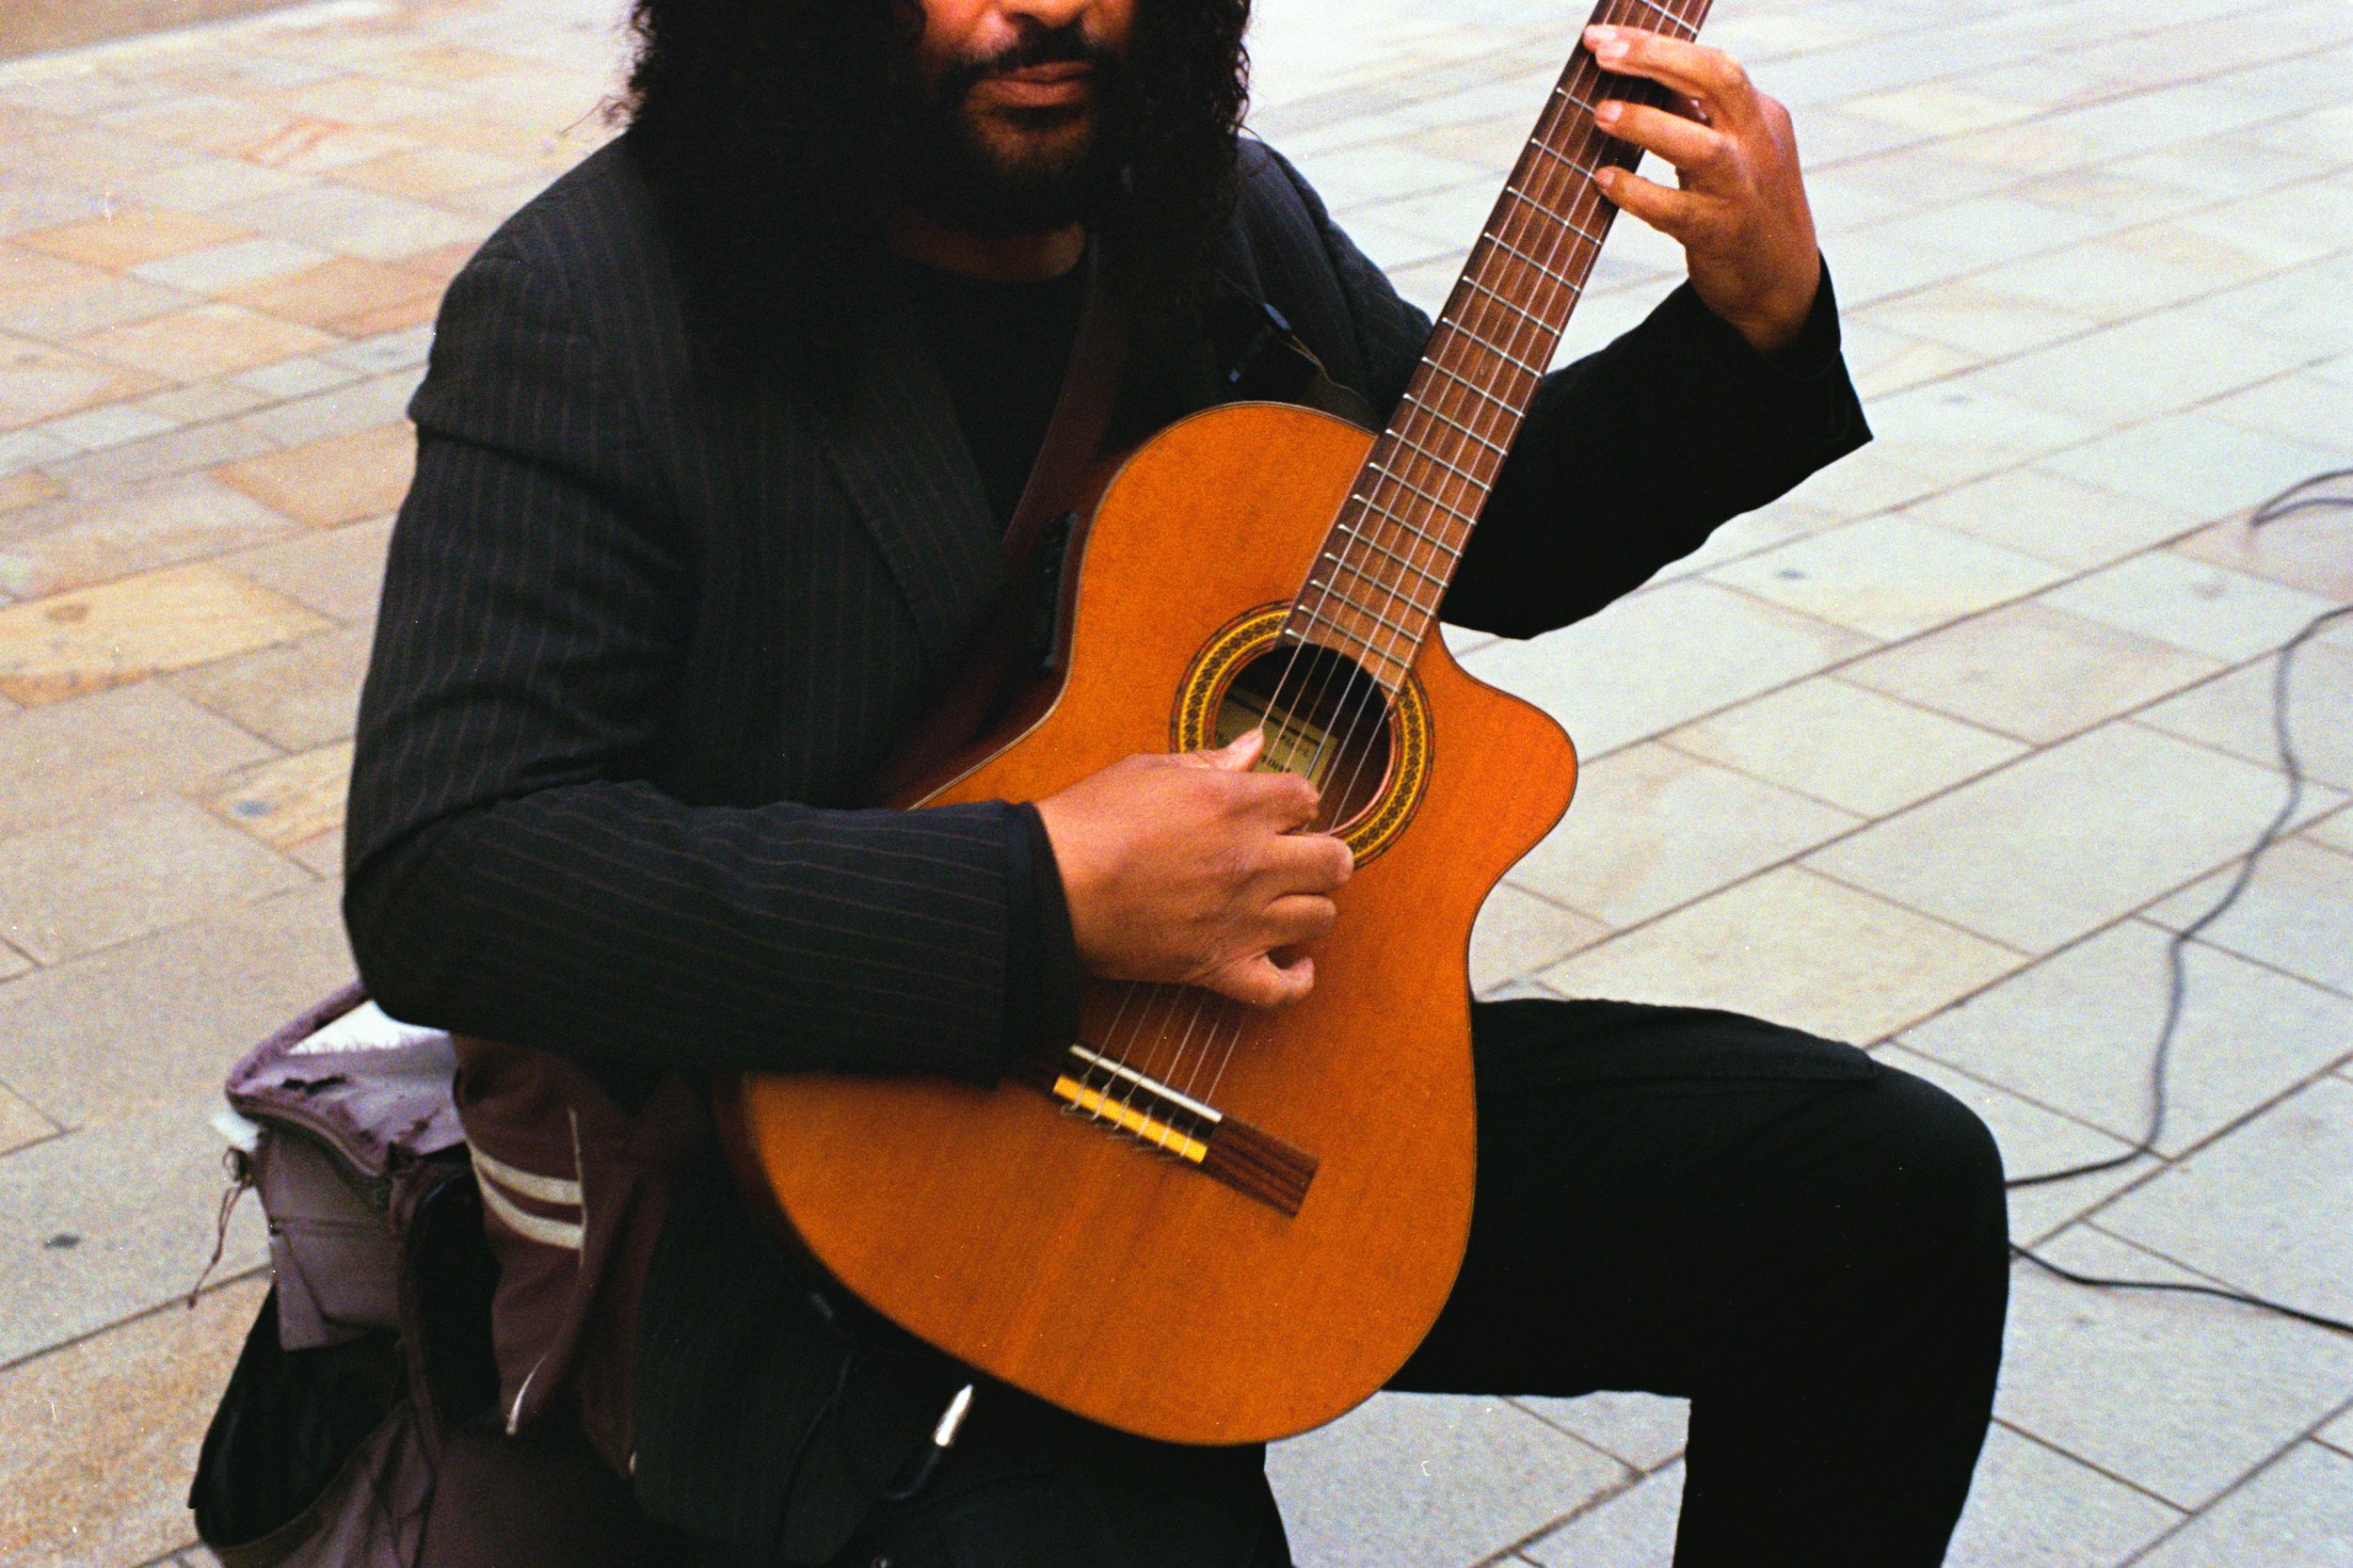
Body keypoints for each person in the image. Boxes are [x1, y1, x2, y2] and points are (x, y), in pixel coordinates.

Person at [344, 0, 2009, 1562]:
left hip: (1255, 1109)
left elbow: (1461, 520)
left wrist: (1754, 327)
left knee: (1885, 1200)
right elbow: (454, 870)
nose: (1044, 9)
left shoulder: (1203, 224)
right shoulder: (590, 300)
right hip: (798, 1210)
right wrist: (1048, 891)